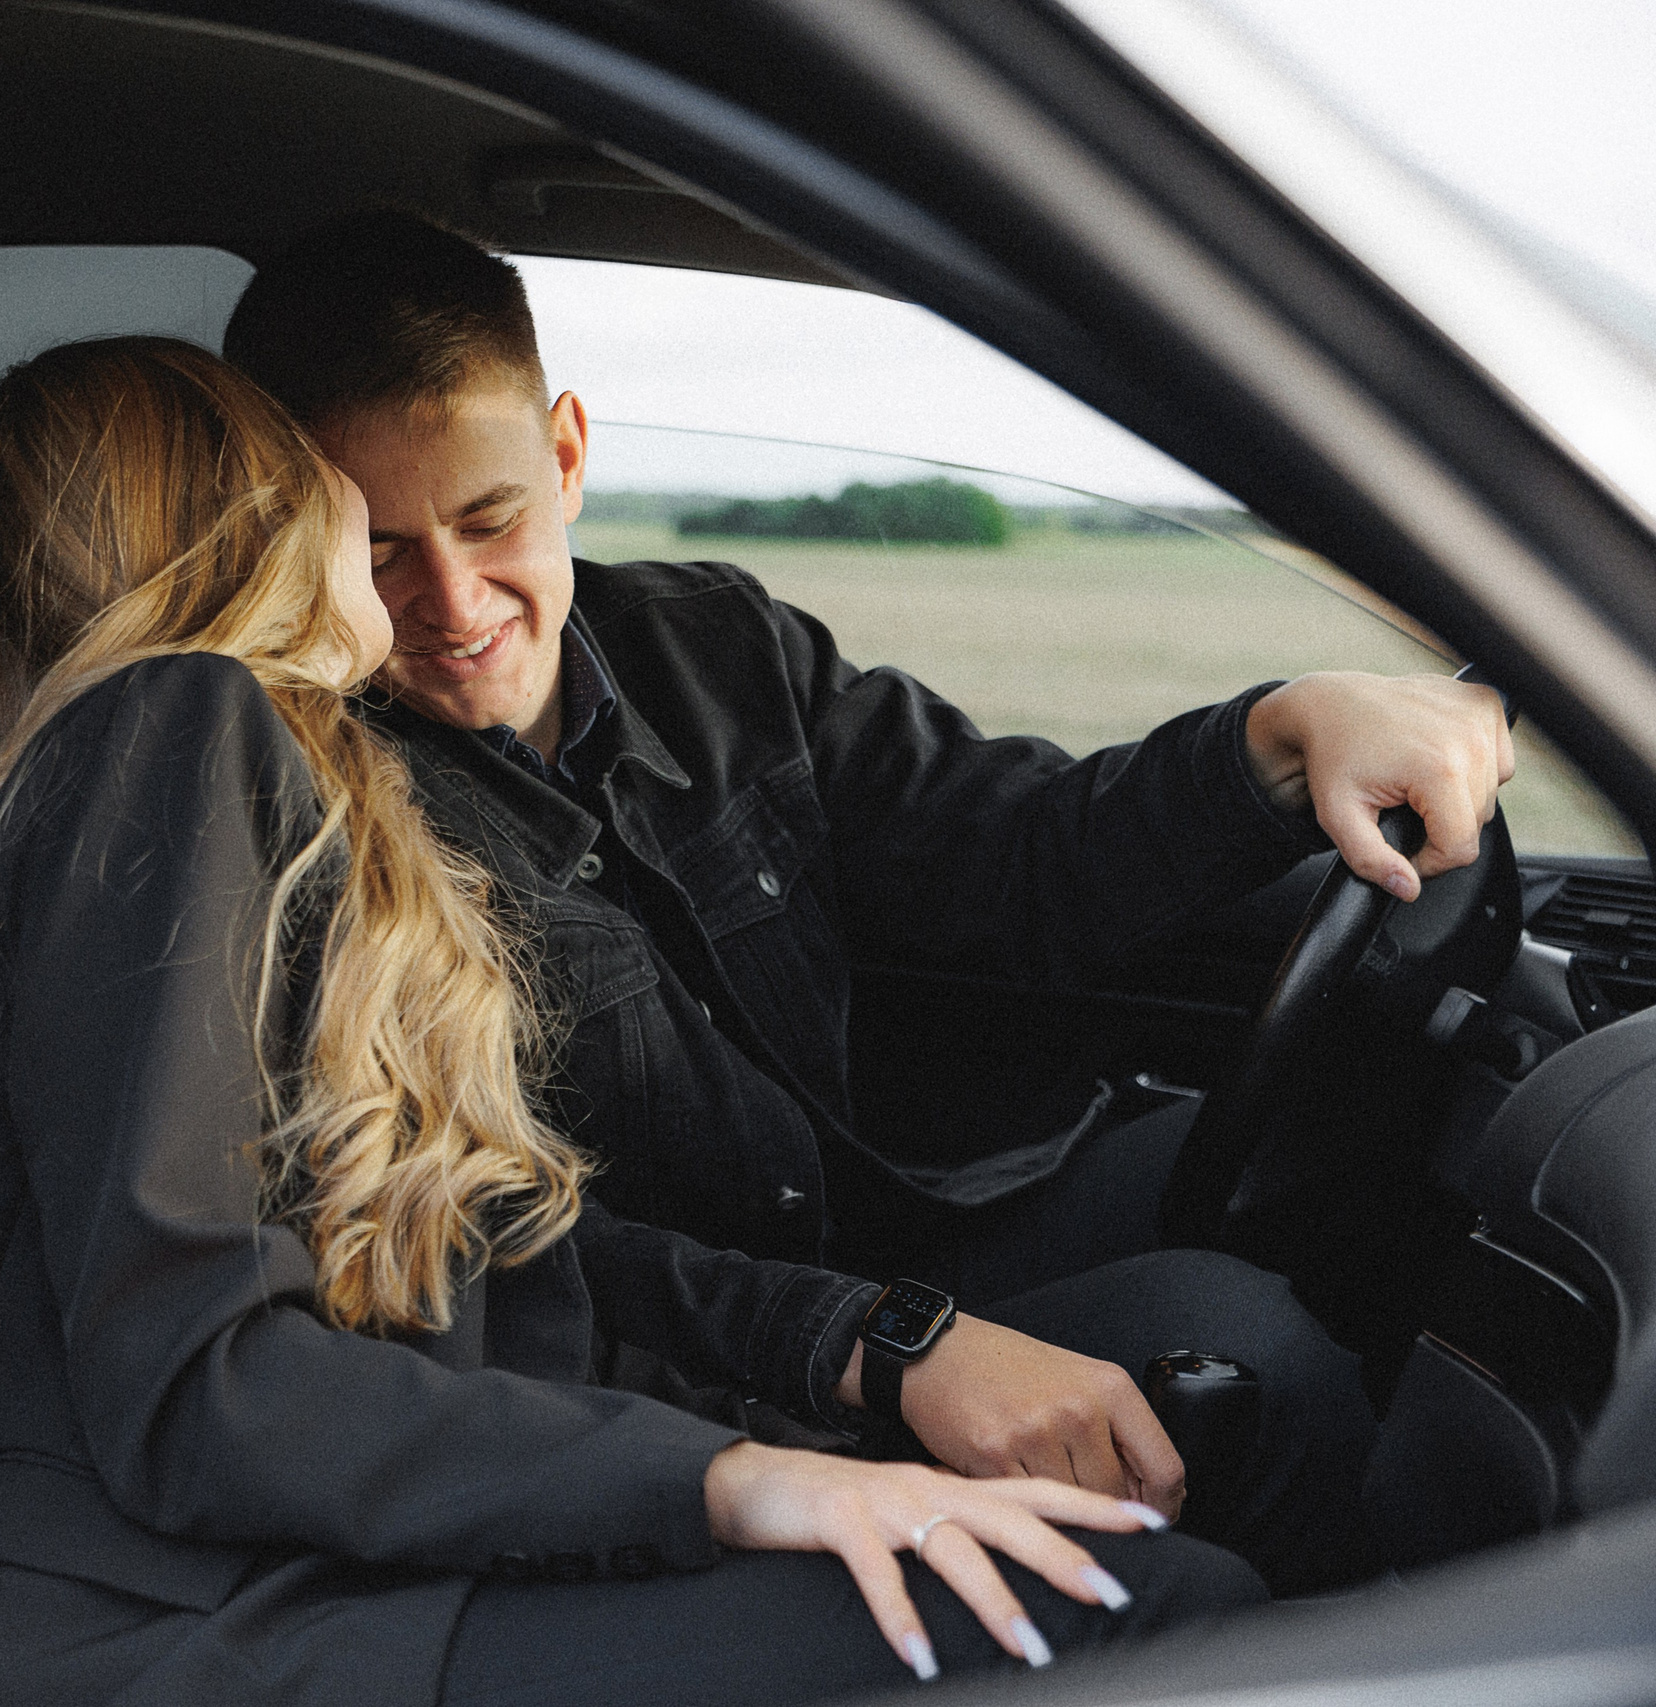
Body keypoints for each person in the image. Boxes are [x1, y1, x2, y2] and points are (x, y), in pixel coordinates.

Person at [0, 337, 1264, 1707]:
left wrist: (824, 1397)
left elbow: (478, 1278)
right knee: (1142, 1613)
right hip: (147, 1631)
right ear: (268, 515)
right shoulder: (180, 728)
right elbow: (196, 1378)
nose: (422, 574)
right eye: (359, 515)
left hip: (299, 1569)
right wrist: (728, 1484)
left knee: (1126, 1561)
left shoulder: (297, 780)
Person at [219, 211, 1519, 1594]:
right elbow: (477, 1251)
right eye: (378, 553)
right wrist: (885, 1338)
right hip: (689, 1377)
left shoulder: (713, 642)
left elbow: (1016, 858)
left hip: (888, 1221)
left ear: (568, 456)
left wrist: (1281, 729)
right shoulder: (315, 801)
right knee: (1255, 1358)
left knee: (1356, 1160)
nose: (452, 600)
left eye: (490, 521)